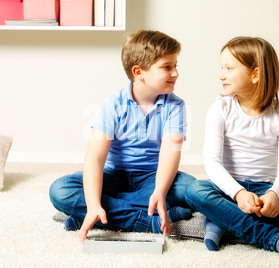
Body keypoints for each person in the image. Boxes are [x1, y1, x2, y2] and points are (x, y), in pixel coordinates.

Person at [185, 36, 279, 260]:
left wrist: (274, 195)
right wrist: (239, 194)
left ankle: (222, 220)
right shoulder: (220, 108)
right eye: (222, 67)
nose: (222, 74)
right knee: (194, 191)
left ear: (255, 74)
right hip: (227, 190)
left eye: (229, 68)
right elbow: (212, 162)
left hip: (263, 191)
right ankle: (273, 238)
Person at [50, 30, 195, 242]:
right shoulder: (113, 104)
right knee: (60, 190)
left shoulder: (175, 105)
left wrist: (160, 191)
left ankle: (97, 212)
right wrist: (92, 204)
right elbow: (95, 159)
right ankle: (144, 221)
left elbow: (170, 152)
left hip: (153, 177)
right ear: (139, 72)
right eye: (167, 67)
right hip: (115, 176)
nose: (175, 73)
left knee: (192, 190)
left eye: (175, 66)